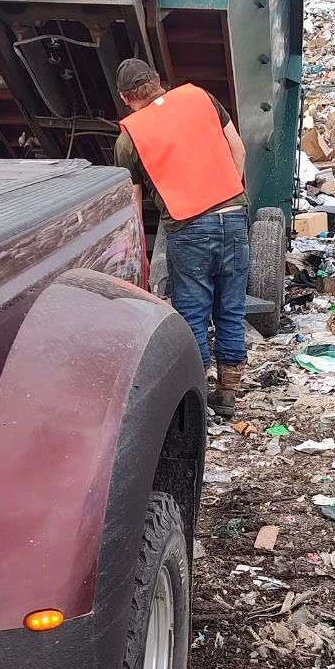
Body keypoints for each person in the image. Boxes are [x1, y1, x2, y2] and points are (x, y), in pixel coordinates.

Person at [114, 59, 249, 416]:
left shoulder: (129, 137)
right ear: (159, 83)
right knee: (231, 307)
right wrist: (227, 195)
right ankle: (229, 394)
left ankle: (197, 397)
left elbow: (133, 202)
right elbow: (239, 149)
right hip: (234, 216)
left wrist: (137, 253)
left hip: (189, 227)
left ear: (127, 98)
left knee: (193, 312)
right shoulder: (200, 97)